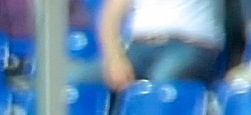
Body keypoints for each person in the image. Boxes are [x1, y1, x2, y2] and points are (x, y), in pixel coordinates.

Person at [92, 0, 224, 87]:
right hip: (139, 47)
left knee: (161, 81)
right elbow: (110, 17)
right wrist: (115, 58)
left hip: (190, 46)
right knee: (78, 78)